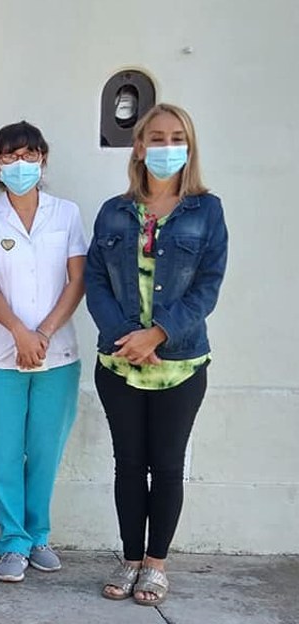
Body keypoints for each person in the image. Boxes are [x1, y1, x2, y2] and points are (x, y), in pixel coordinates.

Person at [87, 104, 227, 606]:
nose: (167, 147)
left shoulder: (206, 211)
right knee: (128, 465)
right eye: (157, 138)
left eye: (176, 138)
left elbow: (208, 285)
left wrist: (158, 335)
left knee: (166, 465)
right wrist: (127, 336)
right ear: (140, 146)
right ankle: (129, 559)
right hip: (119, 362)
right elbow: (96, 281)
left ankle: (156, 564)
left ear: (188, 146)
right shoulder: (113, 211)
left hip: (180, 363)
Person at [0, 122, 87, 583]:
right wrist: (20, 333)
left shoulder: (67, 214)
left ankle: (38, 536)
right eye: (10, 156)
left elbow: (76, 279)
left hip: (57, 354)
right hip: (1, 354)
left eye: (29, 155)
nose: (20, 164)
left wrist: (44, 333)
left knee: (44, 450)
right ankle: (13, 541)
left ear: (43, 159)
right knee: (2, 454)